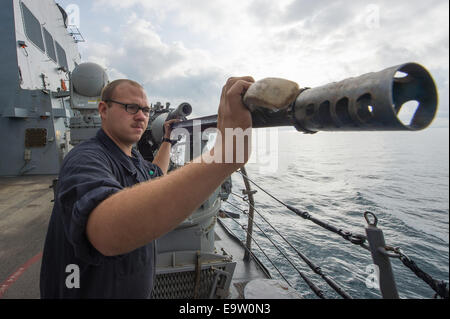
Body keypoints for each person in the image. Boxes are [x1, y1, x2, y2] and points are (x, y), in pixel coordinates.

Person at [40, 76, 254, 298]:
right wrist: (222, 158)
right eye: (131, 108)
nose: (141, 116)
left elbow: (155, 174)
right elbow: (107, 232)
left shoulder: (132, 157)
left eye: (145, 110)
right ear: (104, 110)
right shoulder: (85, 158)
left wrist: (167, 140)